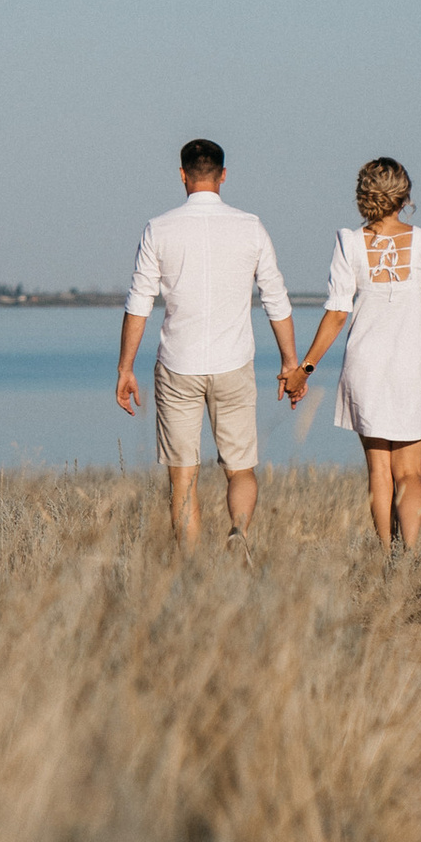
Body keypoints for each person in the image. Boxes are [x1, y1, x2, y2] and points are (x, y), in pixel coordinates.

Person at [284, 155, 421, 551]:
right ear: (404, 196)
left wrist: (305, 369)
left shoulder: (350, 243)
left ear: (363, 196)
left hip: (366, 365)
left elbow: (337, 314)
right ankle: (409, 556)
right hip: (413, 365)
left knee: (379, 471)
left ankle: (388, 557)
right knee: (410, 472)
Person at [114, 139, 306, 551]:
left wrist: (124, 368)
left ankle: (192, 572)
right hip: (234, 364)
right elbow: (276, 299)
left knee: (183, 478)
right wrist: (291, 364)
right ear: (223, 175)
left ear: (182, 174)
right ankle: (238, 532)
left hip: (177, 364)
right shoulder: (250, 226)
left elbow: (139, 303)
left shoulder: (159, 228)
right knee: (240, 470)